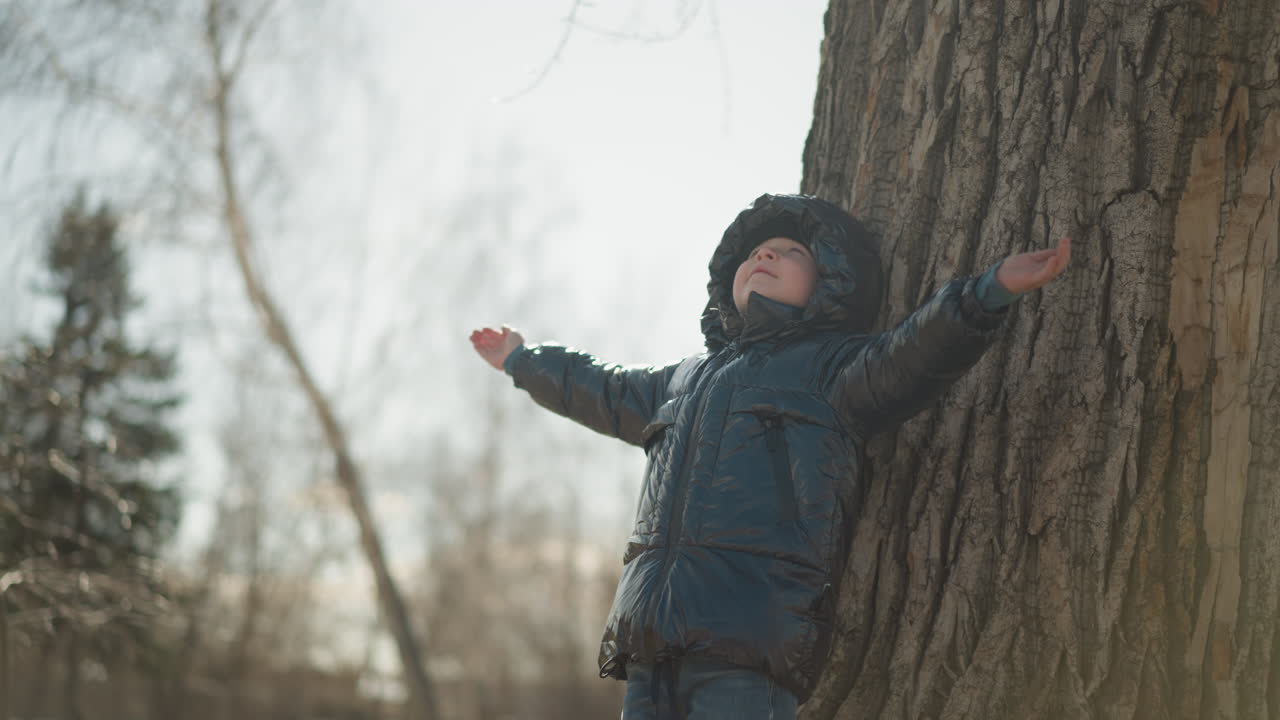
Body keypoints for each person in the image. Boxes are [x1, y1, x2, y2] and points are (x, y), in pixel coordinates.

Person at [469, 193, 1071, 719]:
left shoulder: (832, 368)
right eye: (755, 254)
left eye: (790, 252)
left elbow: (912, 355)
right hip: (651, 634)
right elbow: (602, 390)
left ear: (831, 280)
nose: (765, 257)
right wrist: (525, 360)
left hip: (751, 629)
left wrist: (987, 292)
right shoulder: (684, 378)